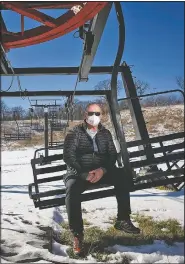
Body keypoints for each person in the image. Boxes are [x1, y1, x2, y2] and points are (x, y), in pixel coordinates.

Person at [63, 103, 140, 255]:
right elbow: (69, 156)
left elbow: (112, 155)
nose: (94, 117)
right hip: (79, 172)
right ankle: (77, 235)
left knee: (122, 175)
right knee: (72, 188)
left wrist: (102, 170)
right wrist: (84, 173)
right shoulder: (74, 132)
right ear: (85, 115)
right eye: (91, 113)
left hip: (101, 171)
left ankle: (123, 219)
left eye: (98, 114)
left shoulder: (105, 133)